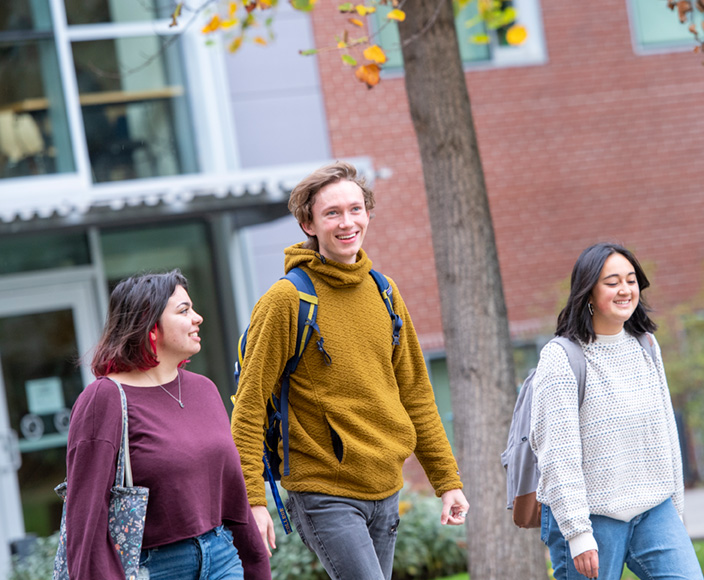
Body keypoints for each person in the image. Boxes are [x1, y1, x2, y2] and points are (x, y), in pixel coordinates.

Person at [231, 161, 468, 580]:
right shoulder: (287, 301)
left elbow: (415, 394)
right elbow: (248, 408)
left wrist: (447, 480)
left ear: (368, 213)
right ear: (308, 223)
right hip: (324, 490)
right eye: (332, 213)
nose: (347, 222)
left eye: (355, 209)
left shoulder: (385, 291)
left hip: (386, 485)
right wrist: (252, 500)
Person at [64, 270, 271, 580]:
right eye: (184, 311)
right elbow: (87, 515)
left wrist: (255, 563)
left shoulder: (204, 390)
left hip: (222, 556)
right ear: (150, 325)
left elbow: (233, 493)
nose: (198, 318)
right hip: (154, 568)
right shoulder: (104, 398)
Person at [530, 243, 703, 580]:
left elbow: (666, 431)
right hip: (591, 517)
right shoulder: (561, 358)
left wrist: (677, 512)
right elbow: (557, 454)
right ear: (589, 292)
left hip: (653, 509)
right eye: (612, 282)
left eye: (631, 279)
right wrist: (578, 533)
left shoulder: (646, 345)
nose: (625, 290)